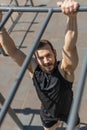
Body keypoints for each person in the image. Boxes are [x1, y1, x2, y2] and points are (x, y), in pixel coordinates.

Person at [0, 0, 80, 129]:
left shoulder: (64, 70)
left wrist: (71, 17)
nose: (46, 60)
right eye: (41, 58)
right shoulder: (34, 68)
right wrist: (1, 27)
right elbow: (13, 52)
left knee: (75, 127)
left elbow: (69, 47)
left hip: (68, 110)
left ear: (54, 53)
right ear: (36, 59)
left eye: (48, 55)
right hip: (48, 112)